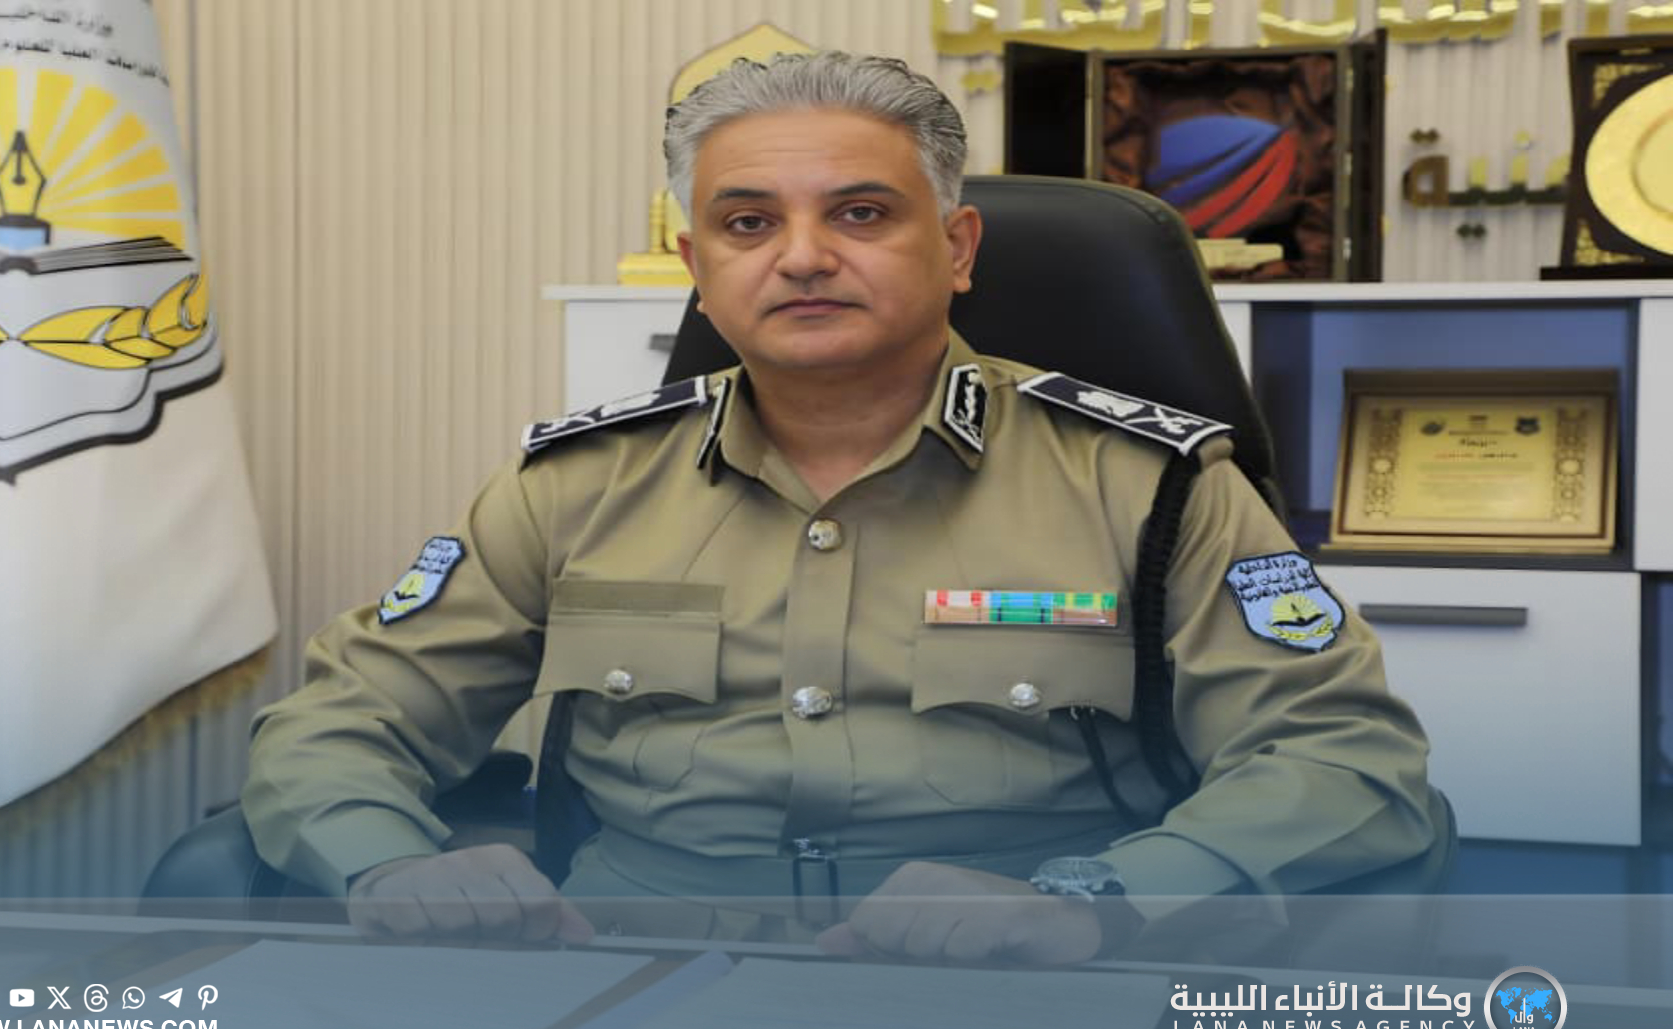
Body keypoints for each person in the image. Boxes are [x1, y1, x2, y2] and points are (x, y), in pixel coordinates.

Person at [243, 51, 1436, 966]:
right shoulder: (575, 486)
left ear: (957, 247)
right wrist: (386, 863)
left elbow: (1343, 757)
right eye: (748, 222)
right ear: (698, 265)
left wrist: (1095, 901)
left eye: (861, 214)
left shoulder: (1149, 484)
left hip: (1009, 982)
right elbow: (340, 722)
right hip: (625, 970)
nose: (803, 256)